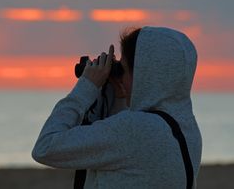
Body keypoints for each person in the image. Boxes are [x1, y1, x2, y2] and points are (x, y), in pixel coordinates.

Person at [32, 26, 202, 188]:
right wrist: (117, 96)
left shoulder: (135, 130)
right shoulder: (186, 127)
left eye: (124, 70)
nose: (122, 78)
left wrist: (87, 86)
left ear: (143, 74)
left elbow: (45, 147)